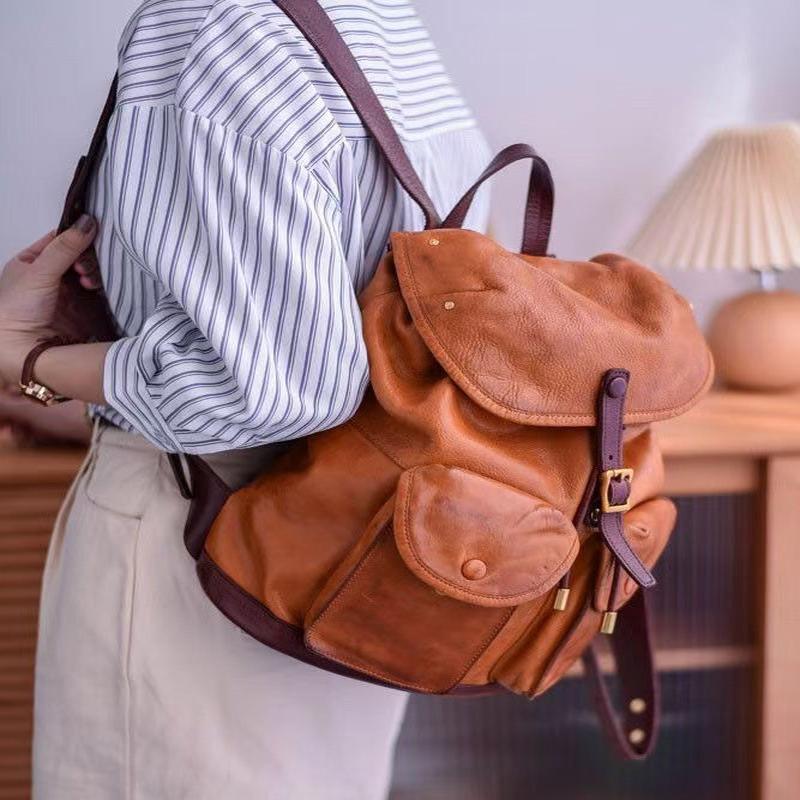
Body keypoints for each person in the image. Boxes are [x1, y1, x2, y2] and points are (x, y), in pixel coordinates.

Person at [0, 1, 490, 798]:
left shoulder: (207, 25)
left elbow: (271, 389)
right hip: (353, 535)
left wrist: (32, 356)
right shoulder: (372, 13)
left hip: (199, 537)